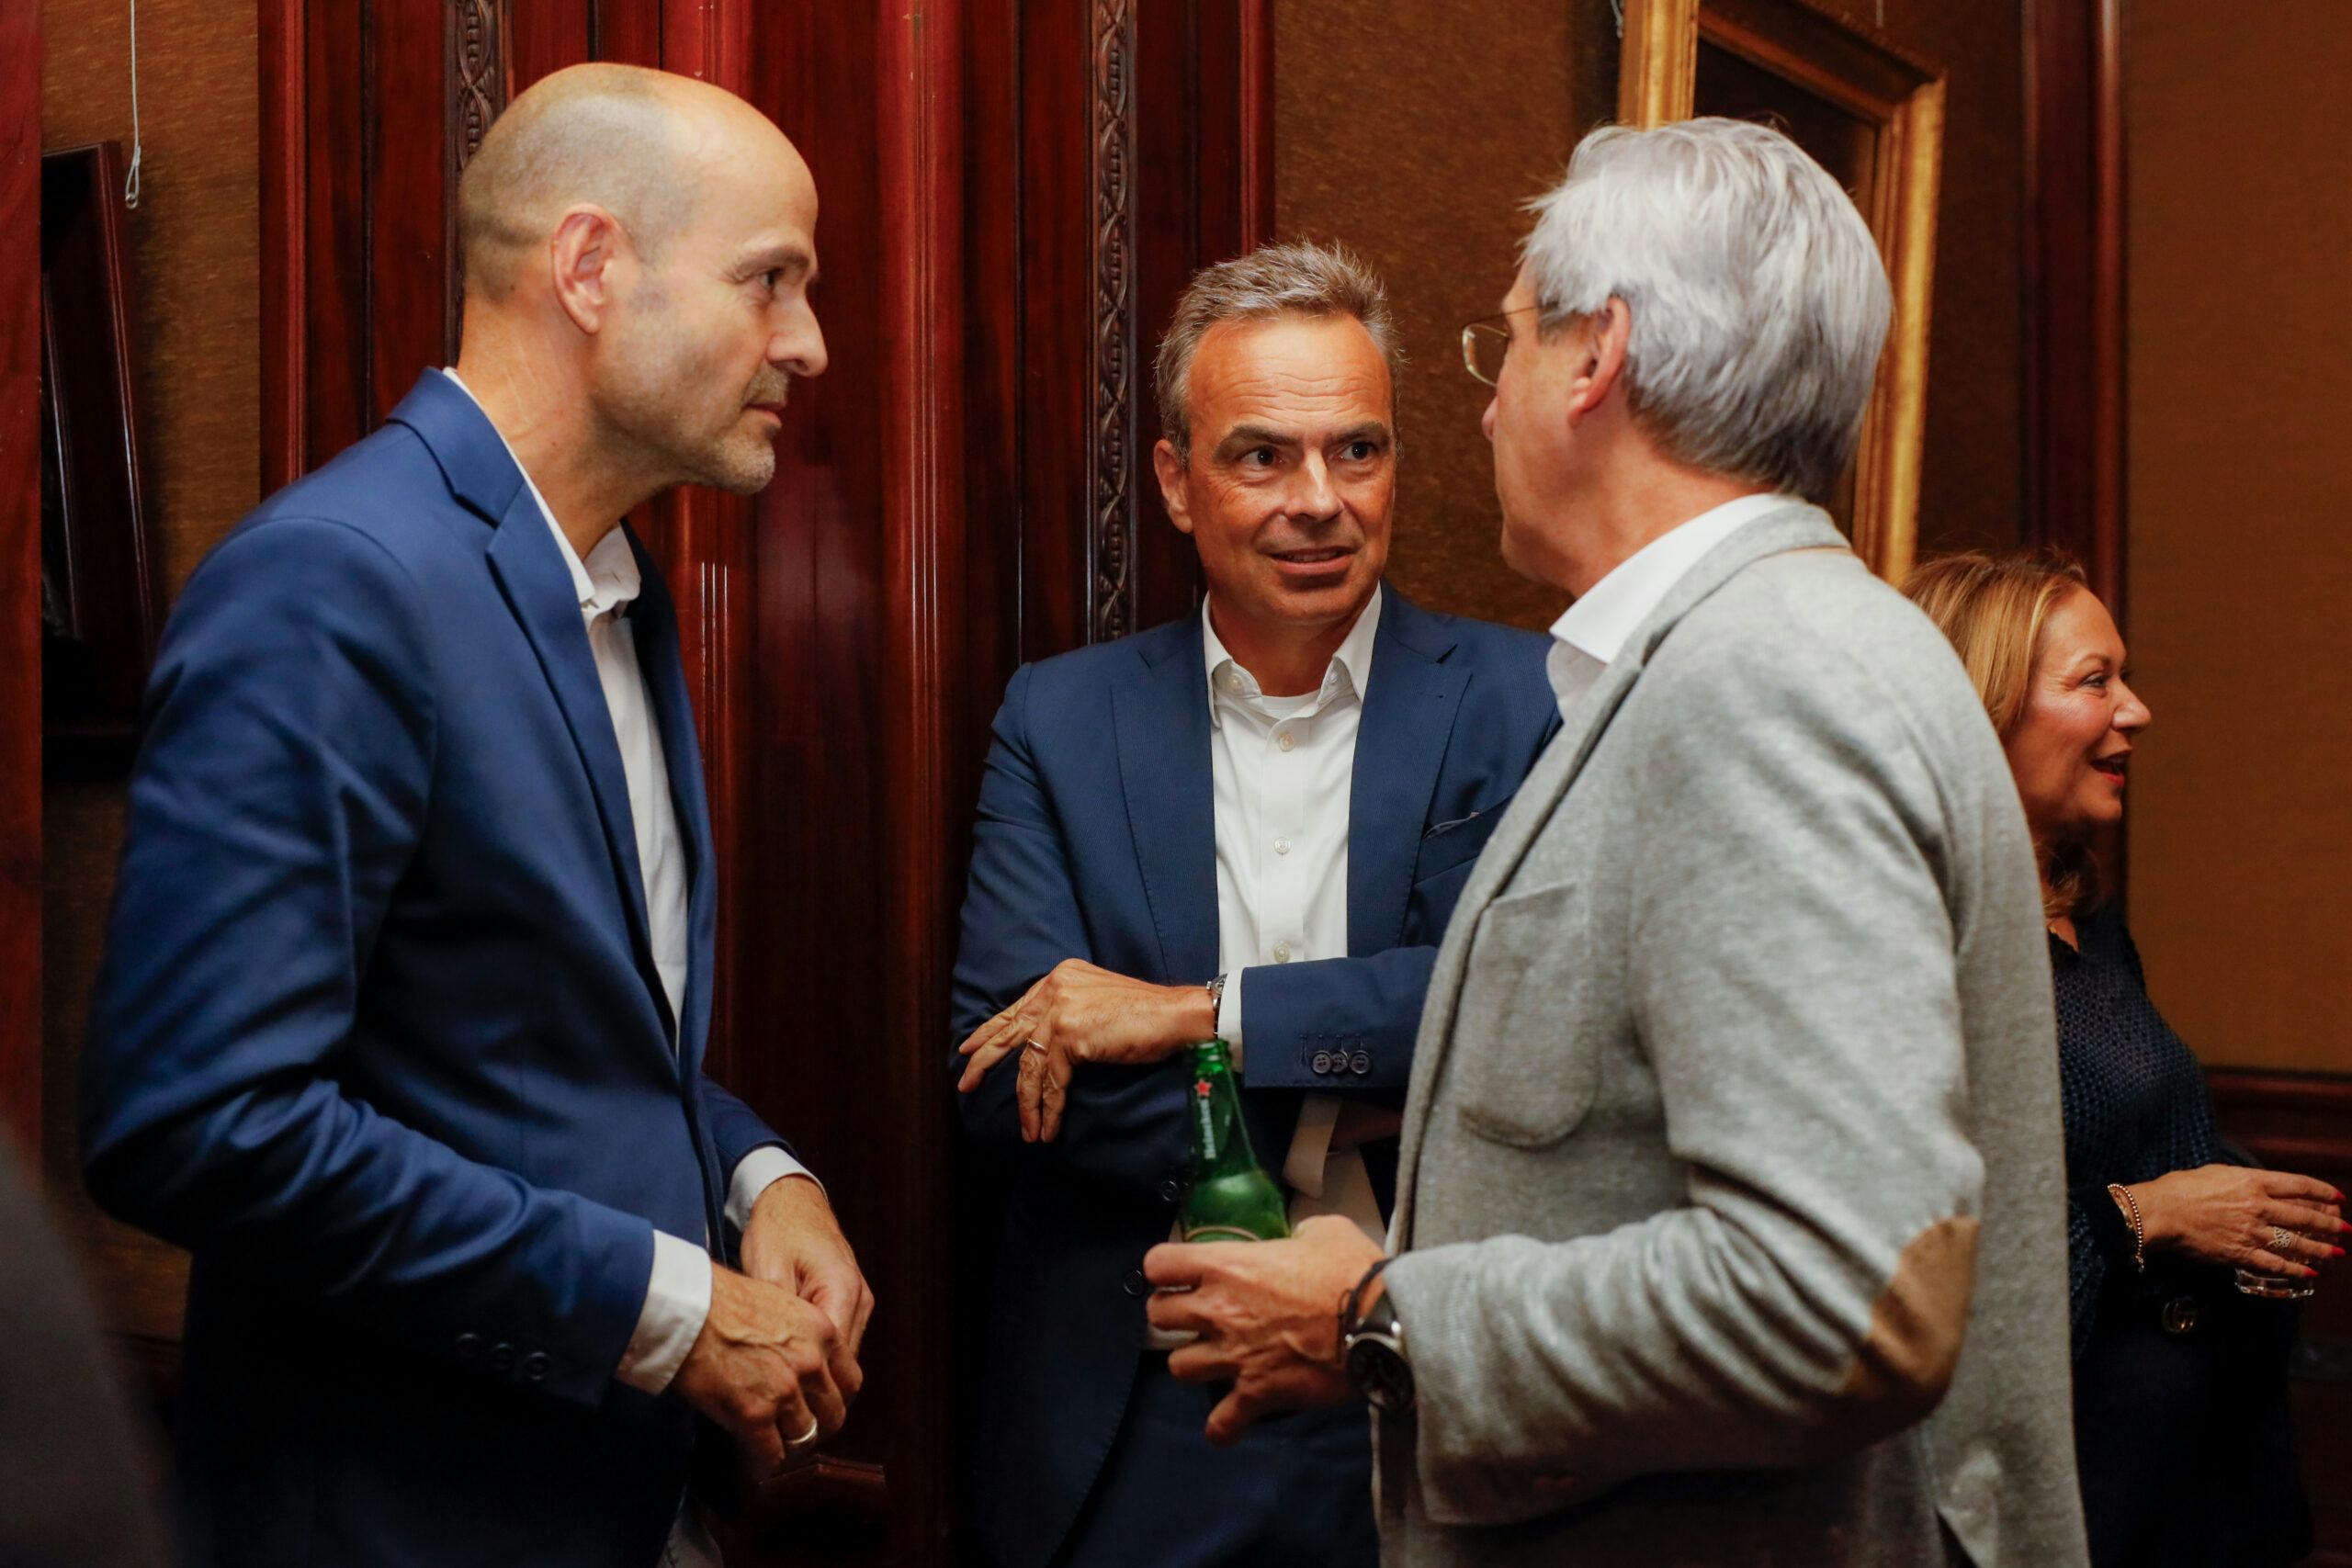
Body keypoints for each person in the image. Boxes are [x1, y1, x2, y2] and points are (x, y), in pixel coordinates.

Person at [1142, 118, 2093, 1568]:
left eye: (1508, 343)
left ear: (1598, 355)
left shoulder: (1766, 681)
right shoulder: (1771, 647)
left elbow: (1842, 1294)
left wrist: (1378, 1316)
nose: (1487, 409)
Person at [79, 64, 872, 1568]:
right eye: (770, 279)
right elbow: (196, 1121)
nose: (808, 341)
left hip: (621, 1498)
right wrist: (663, 1306)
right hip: (400, 1515)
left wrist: (758, 1175)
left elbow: (531, 1036)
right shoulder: (334, 580)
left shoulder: (615, 585)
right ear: (589, 266)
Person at [949, 242, 1560, 1568]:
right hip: (1142, 1396)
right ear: (1177, 481)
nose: (1319, 502)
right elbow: (1011, 1075)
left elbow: (1519, 1021)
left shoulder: (1532, 704)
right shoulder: (1061, 720)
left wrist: (1192, 1019)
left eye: (1358, 451)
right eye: (1263, 457)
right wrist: (1372, 1066)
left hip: (1420, 1386)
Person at [1906, 550, 2340, 1567]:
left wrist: (2249, 1225)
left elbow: (2141, 1134)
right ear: (1979, 705)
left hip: (2192, 1473)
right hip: (2058, 1491)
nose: (2135, 711)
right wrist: (2147, 1216)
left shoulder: (2084, 919)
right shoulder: (1917, 942)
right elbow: (1923, 1267)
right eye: (2094, 680)